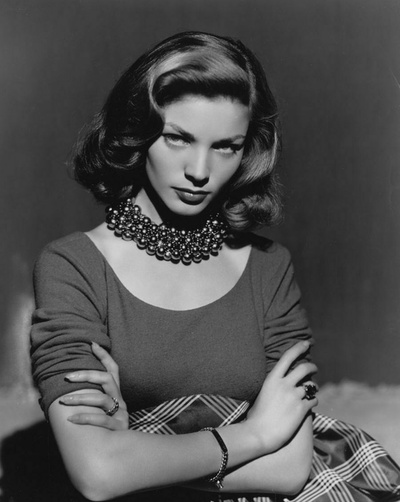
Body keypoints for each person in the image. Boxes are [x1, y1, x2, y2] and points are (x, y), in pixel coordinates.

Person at [30, 32, 400, 502]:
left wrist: (137, 455)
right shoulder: (72, 266)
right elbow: (98, 474)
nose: (200, 171)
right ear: (136, 133)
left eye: (226, 146)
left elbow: (289, 471)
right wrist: (256, 435)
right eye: (177, 138)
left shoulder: (269, 268)